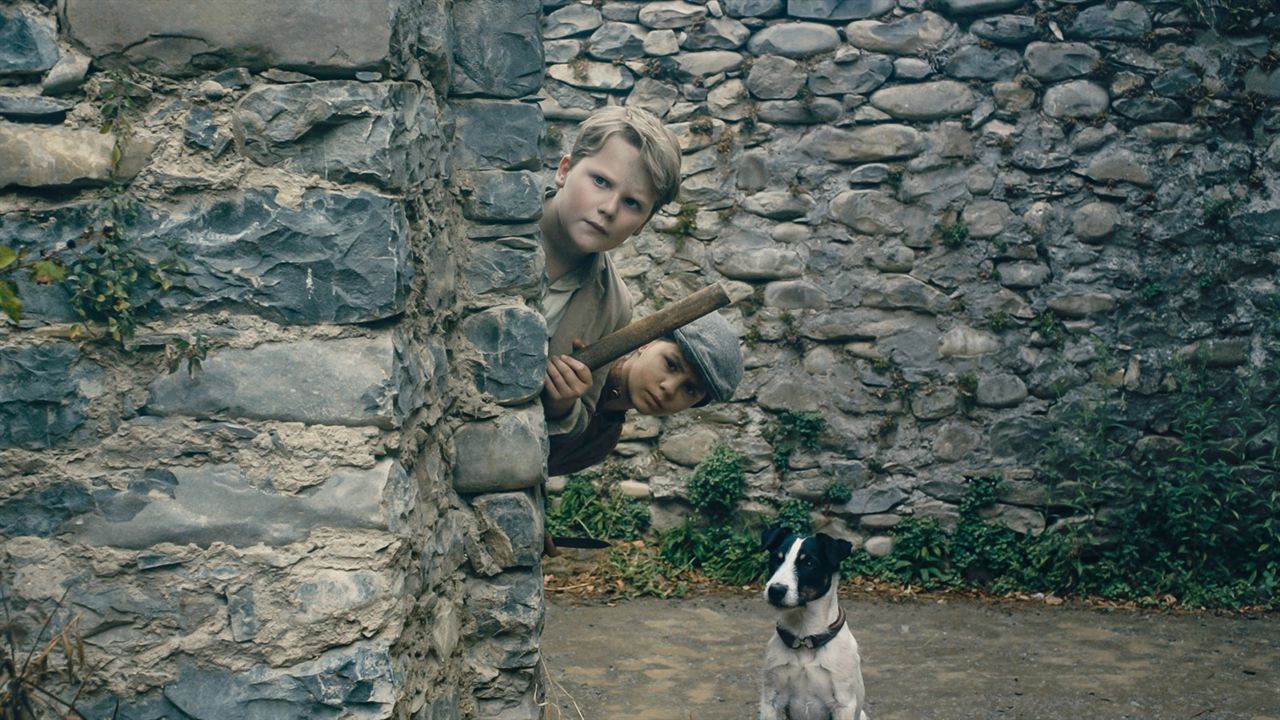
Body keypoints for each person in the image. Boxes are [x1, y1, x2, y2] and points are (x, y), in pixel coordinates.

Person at [538, 105, 684, 457]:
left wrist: (562, 406)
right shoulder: (486, 223)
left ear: (643, 225)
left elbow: (579, 420)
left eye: (632, 203)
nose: (609, 208)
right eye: (601, 181)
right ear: (564, 169)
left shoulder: (615, 307)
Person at [547, 311, 744, 478]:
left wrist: (561, 415)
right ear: (646, 344)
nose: (669, 388)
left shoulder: (602, 442)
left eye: (690, 389)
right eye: (671, 364)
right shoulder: (585, 339)